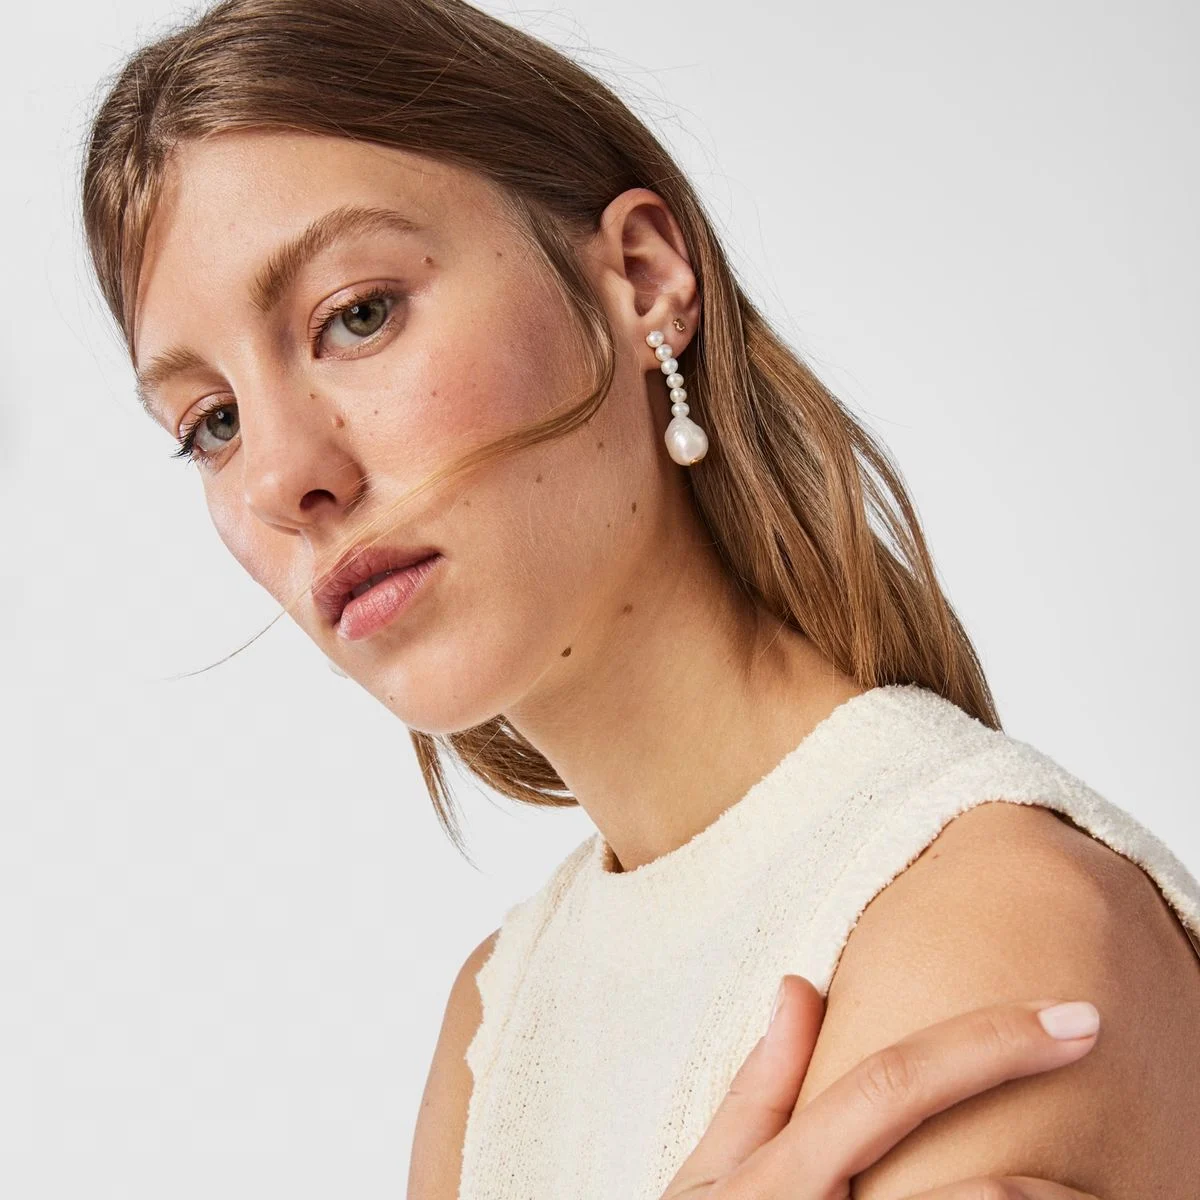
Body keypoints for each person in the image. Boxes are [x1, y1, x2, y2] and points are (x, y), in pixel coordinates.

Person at [81, 0, 1200, 1196]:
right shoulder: (496, 1027)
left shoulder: (978, 923)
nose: (279, 476)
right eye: (212, 423)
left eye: (358, 315)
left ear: (642, 276)